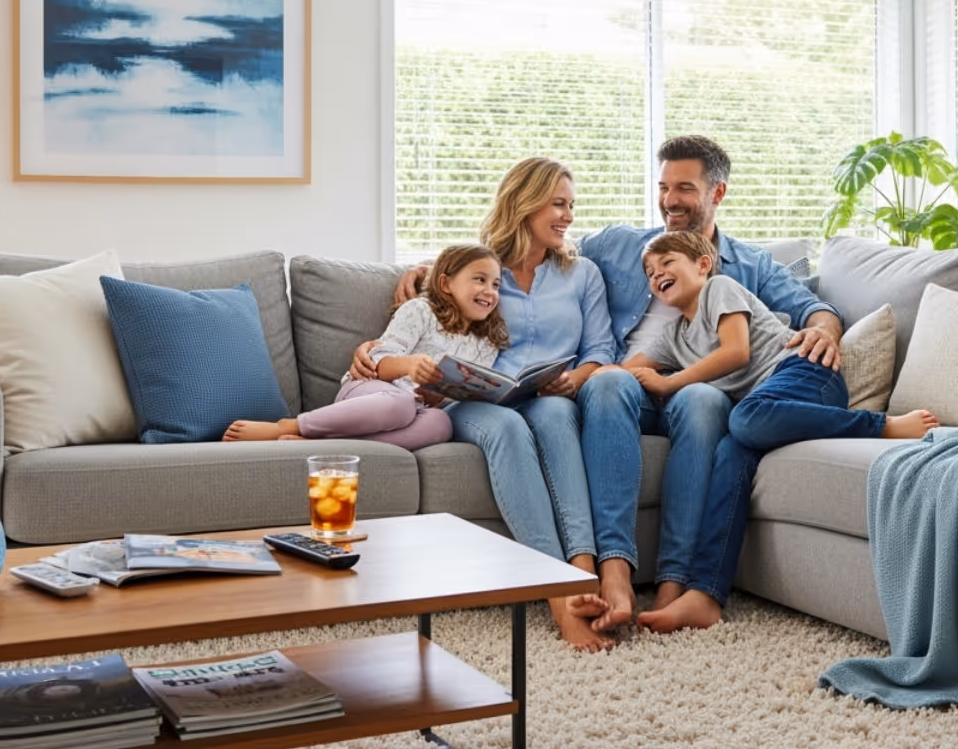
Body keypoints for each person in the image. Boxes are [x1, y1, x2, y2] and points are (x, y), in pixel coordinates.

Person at [383, 136, 847, 631]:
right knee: (608, 383)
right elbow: (527, 247)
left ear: (718, 193)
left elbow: (813, 308)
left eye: (684, 189)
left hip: (690, 386)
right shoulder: (621, 245)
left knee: (702, 400)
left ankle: (672, 585)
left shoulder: (751, 265)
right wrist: (433, 270)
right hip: (627, 387)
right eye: (663, 187)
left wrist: (825, 331)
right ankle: (616, 570)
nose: (670, 200)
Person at [353, 158, 619, 651]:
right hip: (478, 399)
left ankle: (584, 575)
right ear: (525, 203)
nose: (568, 216)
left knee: (558, 416)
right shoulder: (483, 269)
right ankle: (559, 596)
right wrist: (420, 277)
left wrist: (575, 378)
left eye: (571, 205)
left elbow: (601, 348)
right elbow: (436, 305)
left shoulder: (583, 273)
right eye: (558, 204)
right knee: (507, 429)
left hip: (548, 395)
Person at [619, 231, 938, 633]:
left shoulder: (720, 288)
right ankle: (705, 594)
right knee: (730, 453)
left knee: (742, 418)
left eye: (667, 263)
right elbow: (627, 369)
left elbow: (736, 352)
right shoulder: (674, 337)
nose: (657, 274)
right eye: (650, 272)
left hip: (805, 372)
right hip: (768, 409)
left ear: (702, 264)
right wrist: (575, 379)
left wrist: (669, 382)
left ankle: (881, 426)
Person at [223, 244, 506, 450]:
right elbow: (377, 362)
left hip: (415, 409)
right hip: (370, 391)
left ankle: (319, 444)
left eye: (495, 285)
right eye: (479, 279)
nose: (490, 291)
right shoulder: (420, 311)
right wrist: (409, 365)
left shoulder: (487, 344)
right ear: (445, 284)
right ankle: (289, 426)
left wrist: (436, 396)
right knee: (401, 403)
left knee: (440, 424)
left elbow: (453, 395)